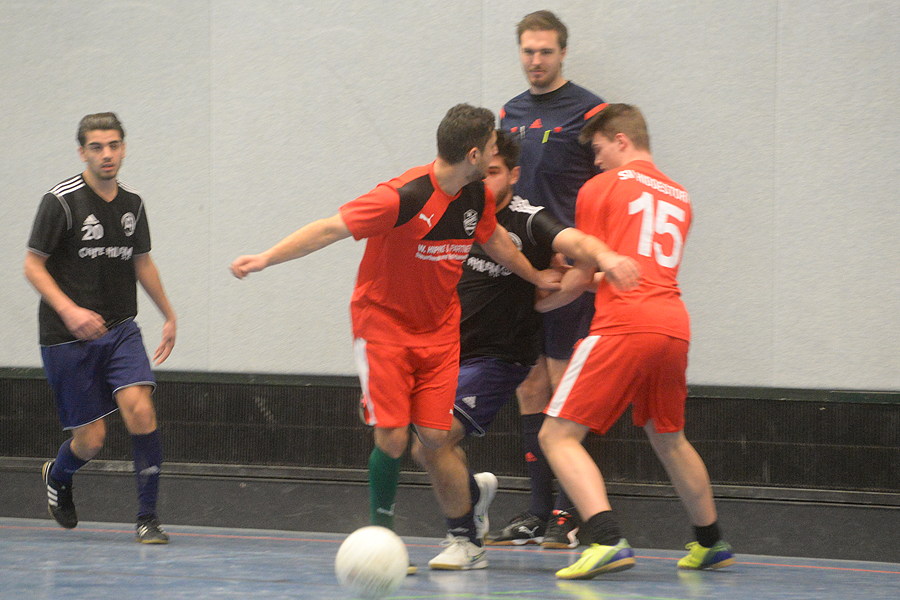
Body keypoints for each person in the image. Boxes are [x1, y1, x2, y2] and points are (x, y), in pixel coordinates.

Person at [231, 104, 564, 571]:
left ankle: (471, 496)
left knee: (434, 436)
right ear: (473, 154)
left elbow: (495, 242)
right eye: (491, 147)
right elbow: (329, 229)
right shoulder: (402, 197)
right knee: (391, 437)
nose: (497, 153)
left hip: (440, 332)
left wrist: (536, 276)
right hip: (383, 327)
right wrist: (266, 258)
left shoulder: (476, 196)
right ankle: (381, 540)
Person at [410, 130, 639, 560]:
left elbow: (577, 244)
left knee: (434, 439)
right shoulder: (458, 211)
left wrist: (604, 259)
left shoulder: (530, 220)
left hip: (499, 357)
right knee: (421, 447)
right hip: (446, 352)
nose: (485, 182)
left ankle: (465, 541)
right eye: (481, 173)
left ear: (514, 175)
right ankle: (472, 495)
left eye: (495, 173)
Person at [536, 103, 735, 579]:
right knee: (669, 438)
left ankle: (606, 540)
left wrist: (540, 301)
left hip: (624, 325)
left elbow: (581, 276)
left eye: (598, 149)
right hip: (672, 325)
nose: (596, 160)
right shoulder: (680, 195)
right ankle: (710, 542)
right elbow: (633, 270)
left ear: (620, 140)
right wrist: (590, 278)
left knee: (555, 435)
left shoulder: (600, 187)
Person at [25, 112, 177, 544]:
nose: (106, 154)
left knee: (141, 410)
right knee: (91, 440)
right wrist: (70, 311)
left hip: (120, 328)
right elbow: (32, 265)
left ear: (123, 148)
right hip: (67, 336)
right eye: (96, 147)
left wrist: (169, 315)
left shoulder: (133, 204)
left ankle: (147, 518)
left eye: (113, 145)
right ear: (82, 153)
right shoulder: (60, 202)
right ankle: (58, 474)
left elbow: (142, 261)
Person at [491, 9, 609, 549]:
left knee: (566, 389)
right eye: (528, 51)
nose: (535, 60)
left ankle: (571, 513)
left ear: (562, 53)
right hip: (521, 267)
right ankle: (538, 511)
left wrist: (589, 262)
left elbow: (608, 188)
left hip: (568, 271)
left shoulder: (591, 110)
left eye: (545, 51)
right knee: (530, 386)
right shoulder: (509, 113)